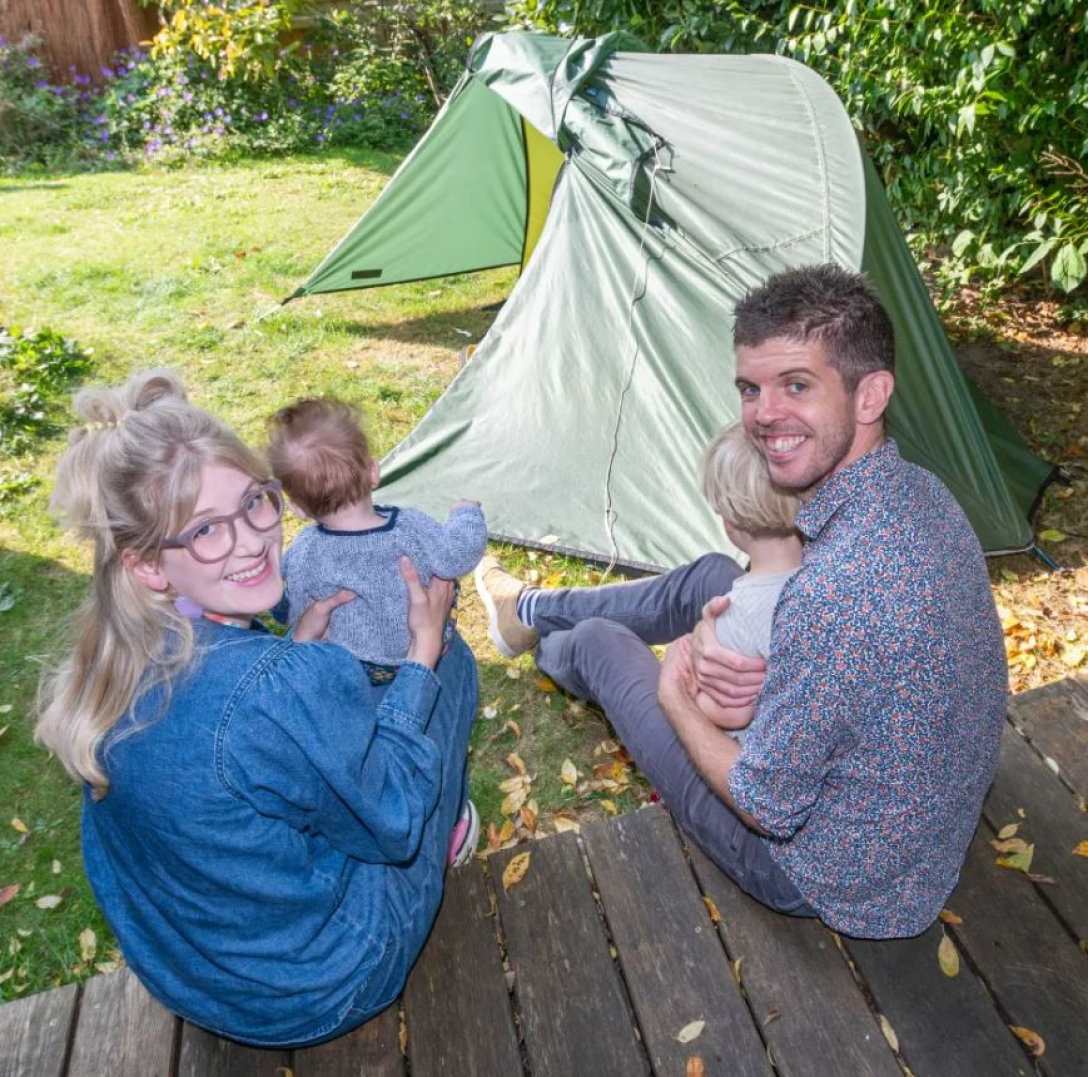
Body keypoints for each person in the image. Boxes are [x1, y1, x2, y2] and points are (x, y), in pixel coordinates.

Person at [476, 263, 1007, 939]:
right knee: (712, 575)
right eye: (750, 388)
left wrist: (675, 688)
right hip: (914, 825)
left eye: (797, 385)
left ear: (871, 394)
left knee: (606, 646)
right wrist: (775, 673)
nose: (763, 415)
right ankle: (529, 610)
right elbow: (840, 650)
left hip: (816, 872)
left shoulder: (835, 593)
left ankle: (545, 636)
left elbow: (766, 804)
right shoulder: (920, 494)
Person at [36, 370, 479, 1048]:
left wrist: (293, 660)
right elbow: (391, 822)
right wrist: (421, 654)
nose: (251, 540)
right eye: (207, 530)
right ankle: (453, 819)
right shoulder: (276, 689)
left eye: (256, 503)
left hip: (192, 972)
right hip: (325, 980)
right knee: (453, 666)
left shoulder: (108, 660)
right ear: (149, 565)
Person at [267, 397, 487, 686]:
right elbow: (457, 555)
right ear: (373, 472)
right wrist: (466, 514)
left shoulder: (305, 549)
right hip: (417, 651)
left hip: (351, 664)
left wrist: (281, 606)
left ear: (298, 508)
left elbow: (287, 607)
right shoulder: (410, 526)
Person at [691, 421, 801, 738]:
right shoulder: (822, 566)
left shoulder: (739, 611)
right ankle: (542, 614)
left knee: (594, 639)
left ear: (728, 521)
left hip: (734, 766)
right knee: (712, 568)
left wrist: (692, 690)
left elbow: (732, 713)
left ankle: (553, 644)